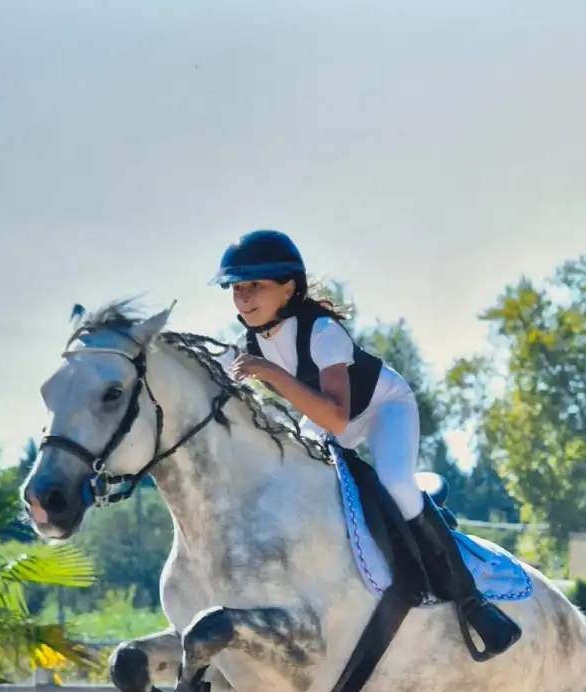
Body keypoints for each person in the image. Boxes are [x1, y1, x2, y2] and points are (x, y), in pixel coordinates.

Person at [211, 229, 521, 660]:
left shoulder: (322, 331)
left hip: (382, 410)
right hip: (329, 419)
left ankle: (472, 601)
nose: (243, 298)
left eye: (255, 287)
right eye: (237, 289)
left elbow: (337, 415)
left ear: (288, 288)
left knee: (395, 483)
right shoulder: (249, 343)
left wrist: (269, 373)